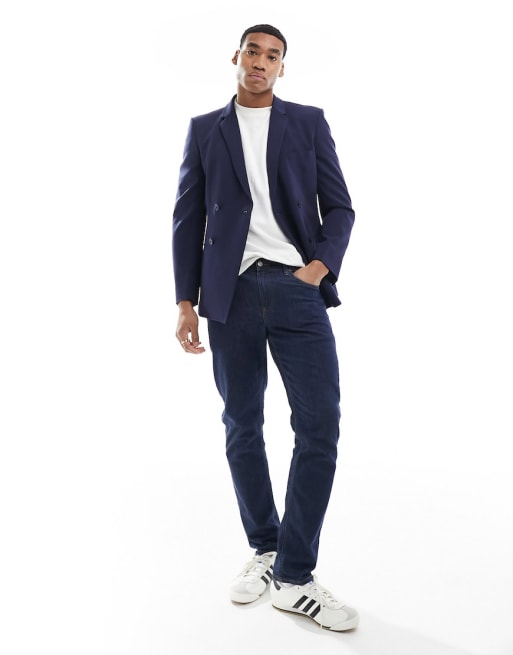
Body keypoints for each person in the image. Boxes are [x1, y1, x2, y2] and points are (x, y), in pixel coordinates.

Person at [172, 24, 359, 631]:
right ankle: (266, 548)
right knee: (242, 424)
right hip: (228, 295)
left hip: (296, 289)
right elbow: (187, 218)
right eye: (252, 51)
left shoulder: (307, 122)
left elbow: (340, 205)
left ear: (282, 67)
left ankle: (295, 577)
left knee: (319, 425)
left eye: (273, 56)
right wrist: (185, 301)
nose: (261, 61)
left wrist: (318, 269)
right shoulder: (206, 129)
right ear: (236, 56)